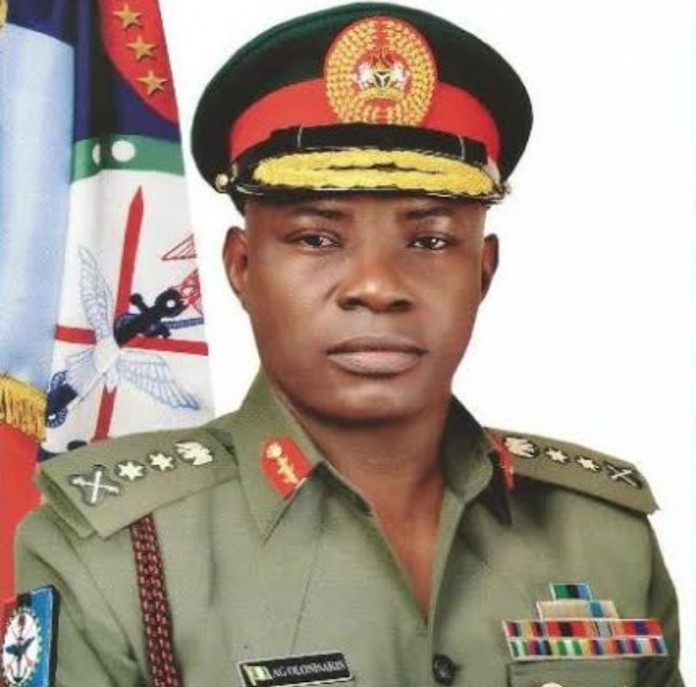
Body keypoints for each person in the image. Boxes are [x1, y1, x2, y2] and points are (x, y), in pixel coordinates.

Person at [9, 3, 683, 686]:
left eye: (430, 240)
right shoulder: (118, 556)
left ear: (483, 271)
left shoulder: (602, 538)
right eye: (316, 238)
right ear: (242, 267)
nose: (377, 286)